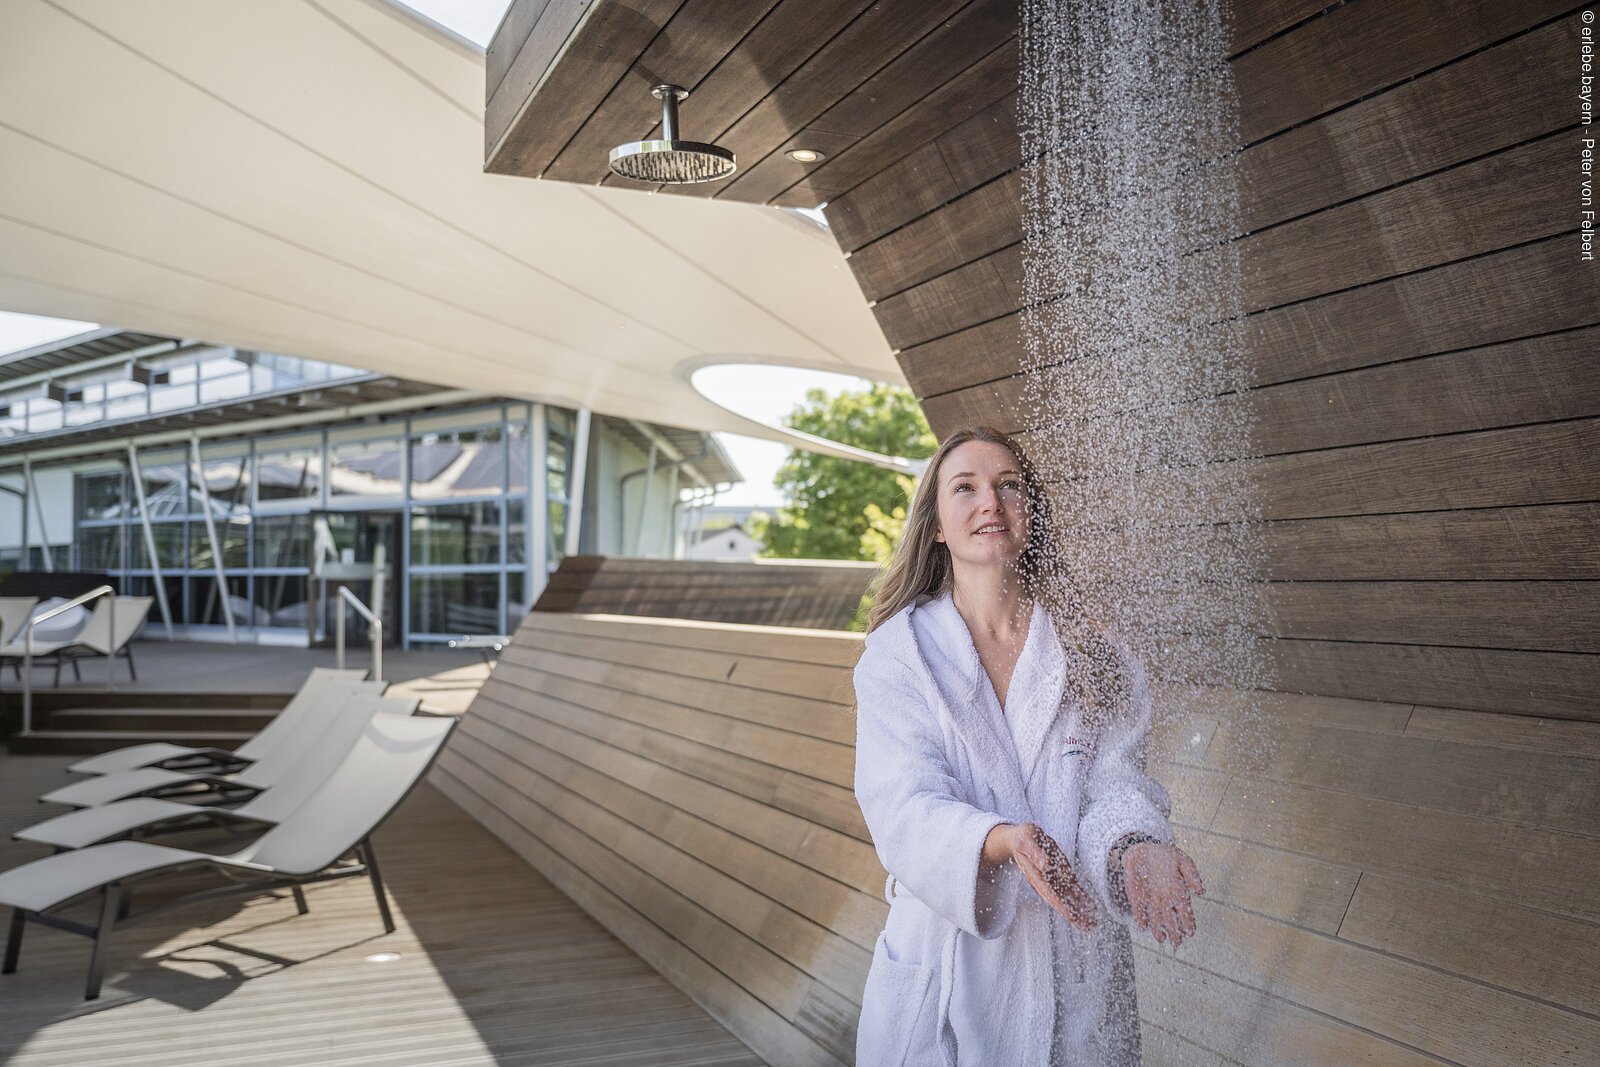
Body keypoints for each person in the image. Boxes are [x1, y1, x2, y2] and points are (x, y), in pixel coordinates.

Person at [852, 426, 1205, 1066]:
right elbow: (902, 807)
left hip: (1077, 965)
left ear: (1030, 511)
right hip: (951, 970)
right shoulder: (899, 657)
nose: (990, 501)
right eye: (965, 488)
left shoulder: (1093, 653)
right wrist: (998, 841)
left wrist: (1133, 846)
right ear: (936, 524)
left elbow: (1117, 785)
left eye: (1009, 485)